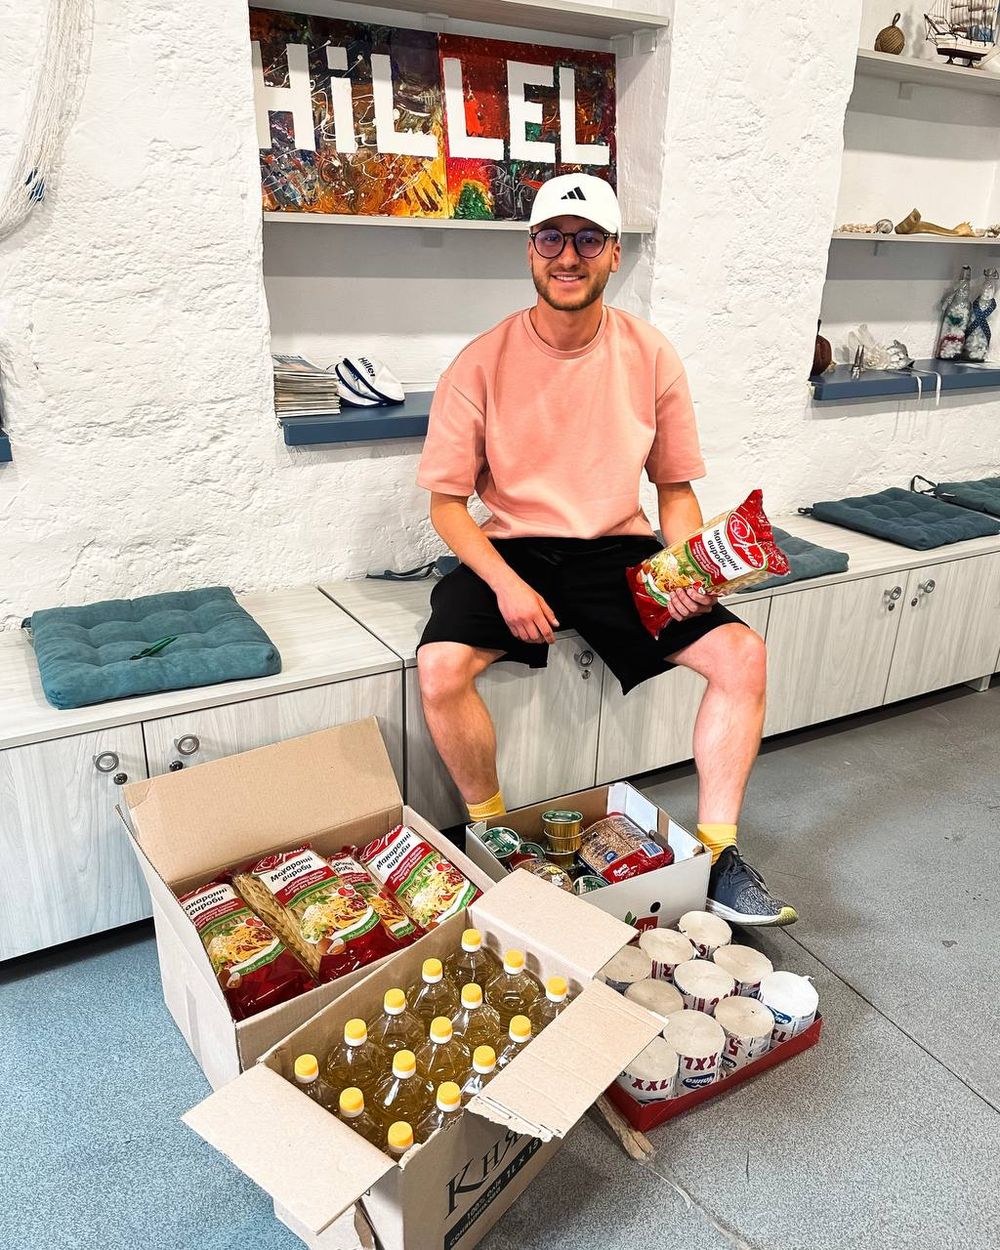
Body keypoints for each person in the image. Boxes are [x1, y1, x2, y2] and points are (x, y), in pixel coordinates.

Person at [414, 173, 796, 927]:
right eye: (552, 238)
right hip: (514, 549)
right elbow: (447, 506)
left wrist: (689, 568)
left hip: (617, 550)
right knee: (440, 668)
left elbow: (675, 490)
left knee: (743, 656)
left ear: (615, 254)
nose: (569, 256)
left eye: (588, 240)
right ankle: (492, 830)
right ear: (531, 250)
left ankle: (717, 856)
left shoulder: (650, 355)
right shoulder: (479, 362)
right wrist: (506, 585)